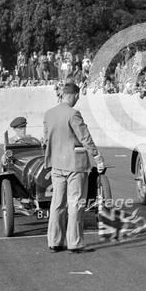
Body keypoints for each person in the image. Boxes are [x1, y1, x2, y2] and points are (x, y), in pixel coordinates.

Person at [43, 83, 104, 253]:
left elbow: (46, 140)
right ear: (75, 95)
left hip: (56, 164)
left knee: (57, 203)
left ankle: (54, 241)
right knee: (75, 203)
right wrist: (97, 157)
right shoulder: (74, 114)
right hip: (75, 165)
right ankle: (74, 243)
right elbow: (85, 138)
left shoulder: (49, 114)